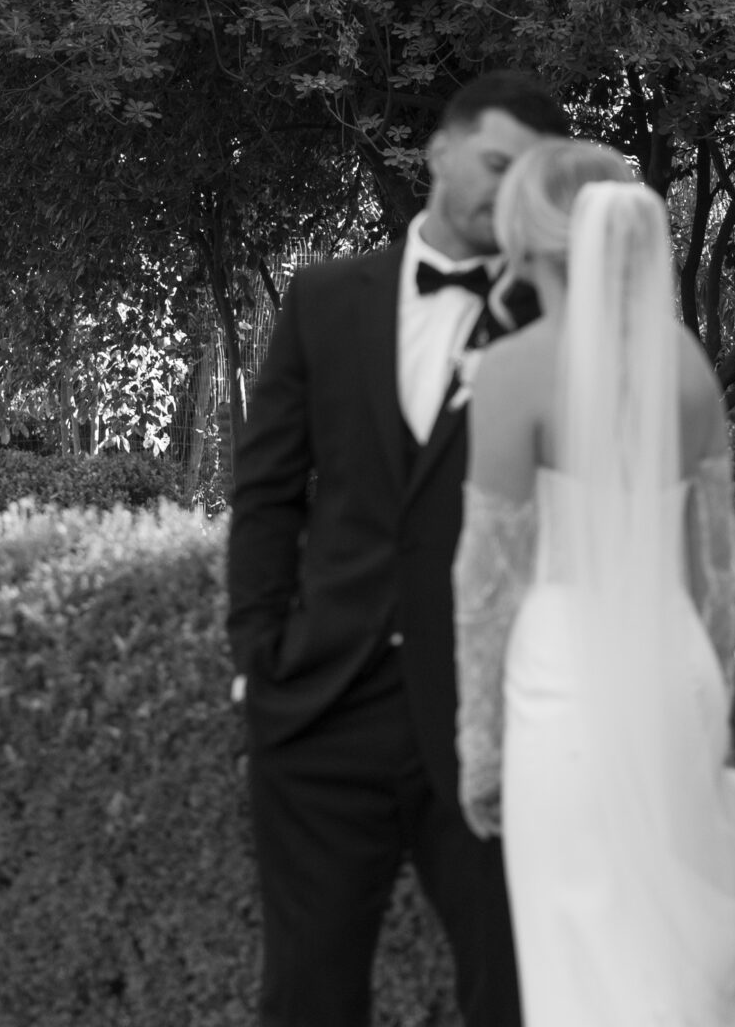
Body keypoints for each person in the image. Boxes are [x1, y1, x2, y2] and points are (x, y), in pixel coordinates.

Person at [226, 69, 569, 1027]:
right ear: (441, 149)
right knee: (307, 995)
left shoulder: (550, 321)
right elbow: (265, 492)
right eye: (496, 164)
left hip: (484, 722)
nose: (507, 194)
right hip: (321, 709)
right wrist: (258, 657)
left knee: (512, 991)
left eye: (529, 180)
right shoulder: (324, 299)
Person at [454, 142, 735, 1027]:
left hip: (564, 689)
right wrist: (713, 700)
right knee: (674, 963)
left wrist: (478, 746)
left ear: (528, 242)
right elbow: (714, 562)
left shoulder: (510, 372)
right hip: (672, 672)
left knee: (581, 953)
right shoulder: (686, 365)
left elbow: (486, 579)